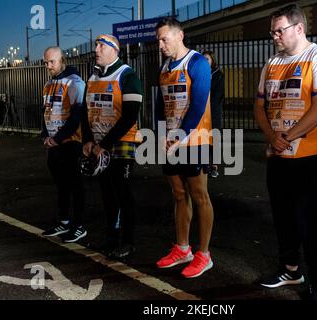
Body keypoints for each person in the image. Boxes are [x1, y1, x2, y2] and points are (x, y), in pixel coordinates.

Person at [253, 4, 317, 299]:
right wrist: (271, 137)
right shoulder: (271, 63)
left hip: (307, 156)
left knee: (312, 221)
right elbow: (259, 106)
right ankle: (290, 270)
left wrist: (285, 136)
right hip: (278, 155)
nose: (274, 35)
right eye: (272, 31)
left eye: (280, 30)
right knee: (282, 216)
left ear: (299, 29)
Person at [155, 18, 214, 278]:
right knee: (178, 194)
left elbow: (199, 104)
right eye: (158, 40)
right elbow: (160, 105)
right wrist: (160, 134)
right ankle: (182, 248)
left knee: (199, 195)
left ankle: (204, 254)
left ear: (180, 36)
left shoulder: (197, 62)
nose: (160, 44)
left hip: (195, 140)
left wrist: (178, 134)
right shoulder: (165, 67)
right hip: (171, 140)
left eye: (164, 39)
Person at [81, 34, 142, 259]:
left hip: (121, 143)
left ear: (114, 50)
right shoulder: (93, 76)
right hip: (98, 144)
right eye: (96, 45)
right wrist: (88, 140)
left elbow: (129, 117)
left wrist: (103, 145)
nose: (95, 49)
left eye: (100, 46)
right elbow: (84, 111)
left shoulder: (128, 76)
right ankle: (111, 239)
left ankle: (128, 242)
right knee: (107, 193)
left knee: (123, 193)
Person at [41, 46, 87, 243]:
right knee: (61, 185)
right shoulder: (48, 85)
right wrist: (45, 135)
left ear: (62, 61)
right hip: (54, 145)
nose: (48, 66)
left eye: (52, 62)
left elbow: (77, 116)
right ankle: (64, 221)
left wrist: (58, 138)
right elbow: (46, 112)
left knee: (76, 185)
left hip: (71, 143)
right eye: (46, 62)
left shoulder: (75, 83)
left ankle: (79, 226)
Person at [203, 50, 225, 178]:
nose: (205, 61)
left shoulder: (218, 75)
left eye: (207, 59)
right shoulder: (200, 74)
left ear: (212, 61)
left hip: (213, 112)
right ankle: (205, 164)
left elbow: (218, 96)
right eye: (203, 59)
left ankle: (214, 166)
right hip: (202, 112)